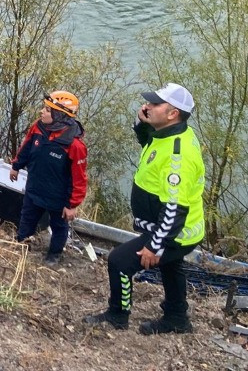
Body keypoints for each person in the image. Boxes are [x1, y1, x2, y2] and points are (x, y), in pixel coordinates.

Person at [85, 82, 205, 335]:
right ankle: (177, 318)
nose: (147, 106)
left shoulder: (178, 158)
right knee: (171, 266)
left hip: (176, 232)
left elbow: (174, 209)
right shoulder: (169, 132)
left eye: (155, 104)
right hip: (173, 228)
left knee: (119, 262)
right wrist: (142, 124)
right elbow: (149, 143)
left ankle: (118, 315)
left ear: (173, 113)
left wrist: (154, 245)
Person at [8, 90, 88, 266]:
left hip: (58, 198)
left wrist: (72, 205)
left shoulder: (75, 145)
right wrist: (16, 166)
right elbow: (26, 148)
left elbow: (79, 179)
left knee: (59, 227)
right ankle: (22, 243)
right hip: (34, 187)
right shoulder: (38, 127)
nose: (41, 112)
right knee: (27, 218)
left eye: (47, 110)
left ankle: (54, 254)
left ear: (59, 115)